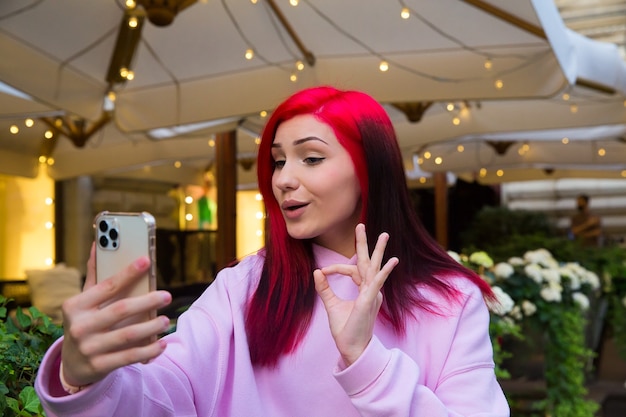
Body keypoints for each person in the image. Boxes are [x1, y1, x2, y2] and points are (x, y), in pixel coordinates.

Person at [35, 86, 509, 416]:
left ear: (370, 168)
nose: (283, 178)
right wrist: (83, 378)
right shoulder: (244, 286)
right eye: (279, 160)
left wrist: (368, 361)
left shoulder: (449, 298)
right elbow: (164, 397)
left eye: (312, 157)